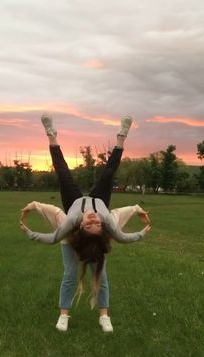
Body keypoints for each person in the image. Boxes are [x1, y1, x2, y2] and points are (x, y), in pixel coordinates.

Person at [20, 114, 151, 331]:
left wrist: (27, 230)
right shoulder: (107, 220)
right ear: (102, 226)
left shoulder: (72, 221)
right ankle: (122, 136)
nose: (92, 219)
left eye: (89, 224)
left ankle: (51, 135)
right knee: (108, 173)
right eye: (96, 224)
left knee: (62, 173)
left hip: (73, 202)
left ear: (81, 226)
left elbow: (53, 238)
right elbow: (125, 237)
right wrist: (143, 230)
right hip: (99, 199)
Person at [21, 201, 150, 332]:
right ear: (80, 226)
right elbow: (53, 214)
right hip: (70, 241)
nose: (93, 221)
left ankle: (104, 316)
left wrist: (136, 211)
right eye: (89, 225)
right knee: (70, 274)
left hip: (94, 246)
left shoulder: (104, 223)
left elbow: (120, 225)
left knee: (100, 277)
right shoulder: (68, 223)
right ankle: (63, 315)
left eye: (96, 224)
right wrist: (33, 207)